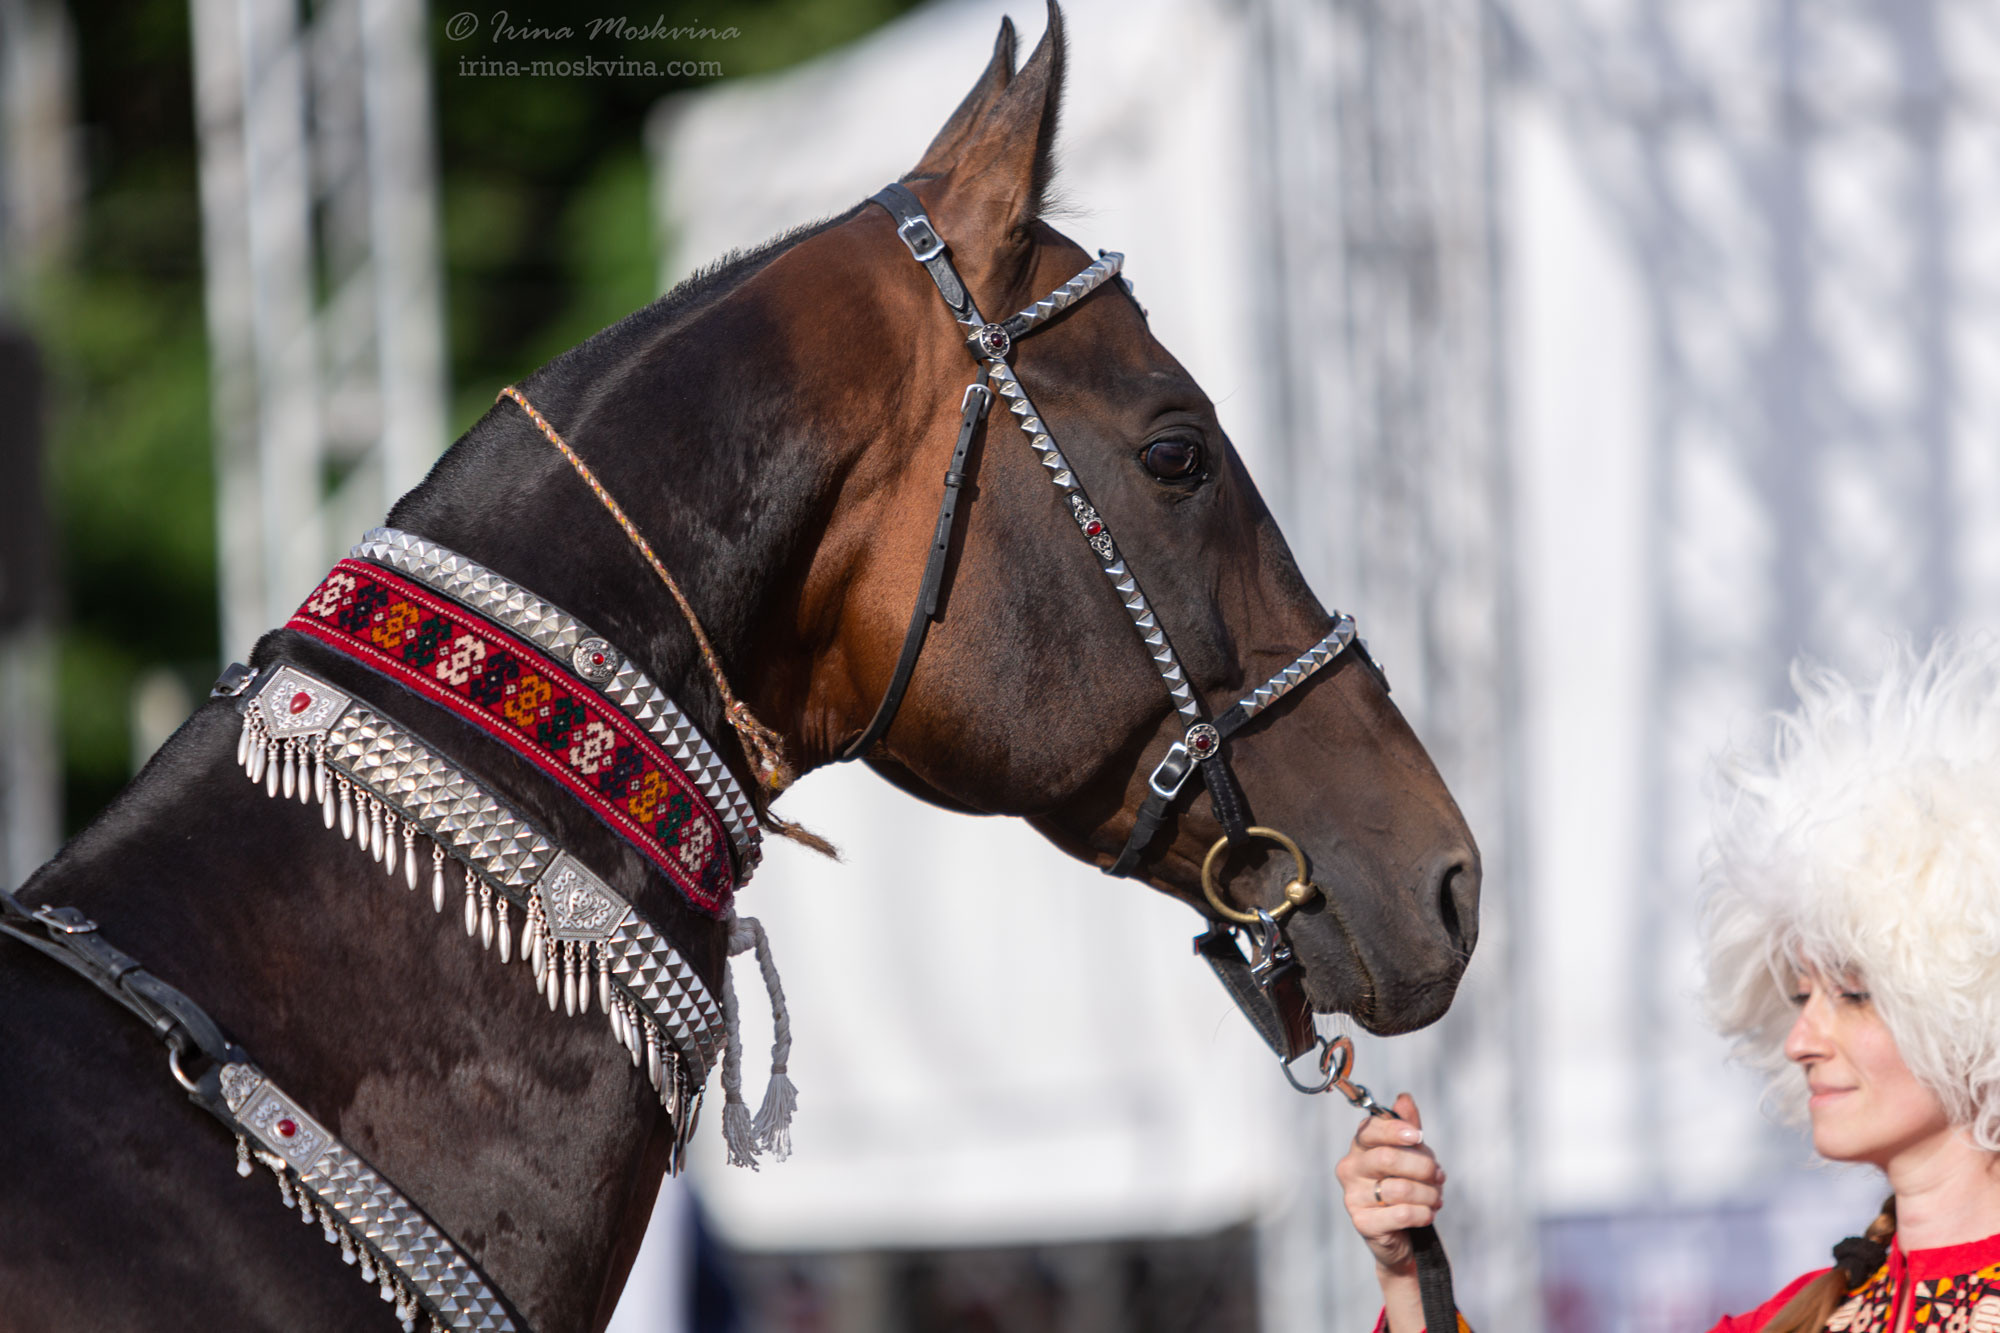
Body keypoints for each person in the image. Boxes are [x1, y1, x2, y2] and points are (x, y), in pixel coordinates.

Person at [1339, 639, 2000, 1331]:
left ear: (1973, 1009)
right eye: (1801, 995)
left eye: (1855, 994)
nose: (1802, 1039)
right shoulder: (1797, 1316)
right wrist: (1411, 1278)